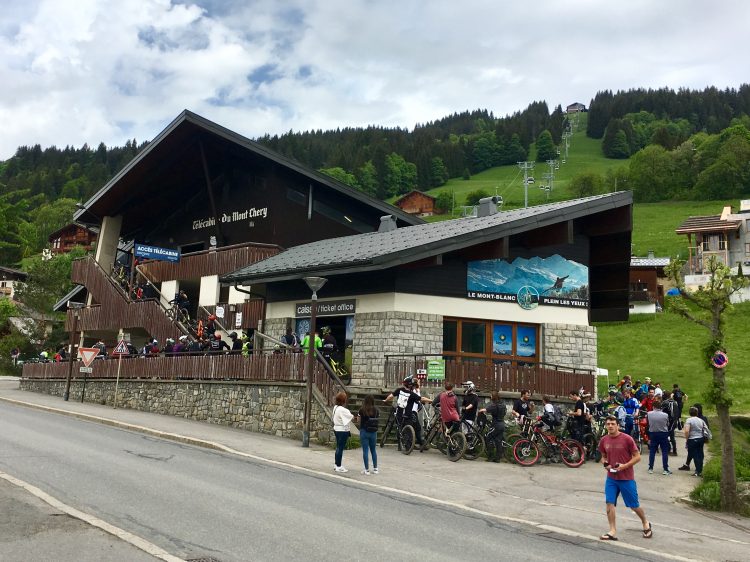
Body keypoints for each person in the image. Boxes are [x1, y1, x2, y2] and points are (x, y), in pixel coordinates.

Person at [598, 415, 653, 541]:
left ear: (618, 425)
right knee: (609, 503)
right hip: (611, 478)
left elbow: (637, 457)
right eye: (608, 424)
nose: (610, 426)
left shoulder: (627, 439)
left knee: (633, 505)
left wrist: (624, 466)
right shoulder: (604, 440)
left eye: (613, 423)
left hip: (626, 477)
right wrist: (605, 463)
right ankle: (612, 530)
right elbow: (603, 456)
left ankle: (645, 522)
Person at [383, 375, 431, 448]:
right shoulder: (411, 394)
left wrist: (385, 400)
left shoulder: (399, 390)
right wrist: (431, 400)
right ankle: (409, 445)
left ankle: (399, 445)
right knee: (411, 429)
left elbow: (390, 396)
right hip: (408, 415)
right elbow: (422, 398)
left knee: (399, 428)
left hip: (399, 413)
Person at [478, 391, 507, 462]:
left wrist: (480, 410)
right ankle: (497, 458)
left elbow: (485, 410)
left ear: (492, 397)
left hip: (496, 425)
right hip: (502, 424)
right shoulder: (503, 404)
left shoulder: (494, 405)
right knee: (498, 441)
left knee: (487, 437)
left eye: (491, 396)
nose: (490, 397)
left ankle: (490, 456)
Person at [646, 398, 671, 475]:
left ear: (653, 406)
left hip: (653, 433)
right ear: (661, 407)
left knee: (652, 451)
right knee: (664, 451)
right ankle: (665, 469)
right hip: (663, 433)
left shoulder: (649, 414)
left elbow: (648, 423)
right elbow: (668, 424)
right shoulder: (665, 415)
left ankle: (650, 467)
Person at [681, 406, 707, 477]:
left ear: (690, 413)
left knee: (695, 455)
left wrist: (687, 439)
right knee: (700, 454)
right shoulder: (701, 420)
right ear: (697, 413)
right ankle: (700, 470)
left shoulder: (689, 420)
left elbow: (686, 431)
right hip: (700, 439)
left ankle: (697, 471)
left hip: (692, 439)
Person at [332, 391, 355, 473]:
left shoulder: (335, 408)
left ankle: (336, 464)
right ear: (344, 400)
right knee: (340, 448)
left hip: (336, 429)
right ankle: (339, 466)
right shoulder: (343, 410)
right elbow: (351, 417)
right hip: (342, 430)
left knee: (338, 447)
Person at [358, 394, 379, 475]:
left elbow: (358, 421)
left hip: (364, 431)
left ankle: (366, 470)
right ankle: (375, 468)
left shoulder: (361, 410)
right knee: (373, 450)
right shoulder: (376, 410)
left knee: (365, 450)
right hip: (373, 432)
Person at [660, 391, 679, 456]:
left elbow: (661, 411)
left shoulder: (665, 402)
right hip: (674, 421)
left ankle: (670, 450)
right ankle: (674, 450)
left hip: (669, 422)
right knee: (671, 436)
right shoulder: (675, 402)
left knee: (665, 435)